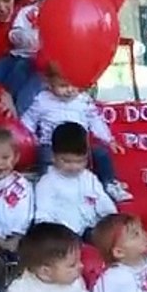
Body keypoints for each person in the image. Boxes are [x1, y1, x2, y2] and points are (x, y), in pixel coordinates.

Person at [21, 68, 132, 202]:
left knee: (101, 153)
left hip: (79, 144)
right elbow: (28, 120)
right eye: (63, 86)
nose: (70, 90)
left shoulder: (83, 100)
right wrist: (28, 137)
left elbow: (95, 120)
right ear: (50, 84)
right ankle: (46, 186)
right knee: (45, 157)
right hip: (51, 144)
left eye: (74, 85)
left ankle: (109, 183)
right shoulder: (42, 100)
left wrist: (109, 139)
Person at [0, 0, 64, 116]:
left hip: (38, 63)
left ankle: (15, 108)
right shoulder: (28, 12)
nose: (47, 4)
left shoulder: (62, 17)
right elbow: (13, 33)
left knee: (22, 74)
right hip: (17, 54)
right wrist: (22, 36)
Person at [33, 123, 118, 239]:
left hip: (91, 229)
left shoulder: (89, 178)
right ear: (53, 156)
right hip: (64, 236)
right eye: (67, 161)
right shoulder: (47, 183)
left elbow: (103, 202)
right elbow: (44, 215)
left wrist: (111, 219)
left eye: (80, 161)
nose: (74, 167)